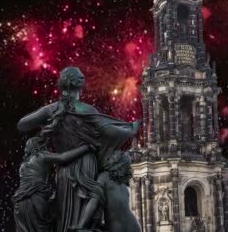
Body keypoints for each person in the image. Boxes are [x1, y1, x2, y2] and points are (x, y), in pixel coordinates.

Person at [17, 67, 140, 232]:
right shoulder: (89, 111)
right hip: (87, 165)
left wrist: (47, 118)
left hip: (64, 169)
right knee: (86, 207)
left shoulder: (53, 109)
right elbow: (110, 131)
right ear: (79, 84)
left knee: (64, 211)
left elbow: (22, 124)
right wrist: (131, 128)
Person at [12, 137, 93, 232]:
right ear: (39, 146)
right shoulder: (41, 156)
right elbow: (63, 157)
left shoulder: (23, 165)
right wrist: (86, 148)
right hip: (36, 199)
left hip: (19, 204)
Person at [72, 150, 141, 232]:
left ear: (116, 162)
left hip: (116, 227)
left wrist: (80, 226)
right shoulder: (124, 185)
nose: (108, 158)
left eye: (111, 156)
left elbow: (94, 203)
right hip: (134, 226)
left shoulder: (104, 177)